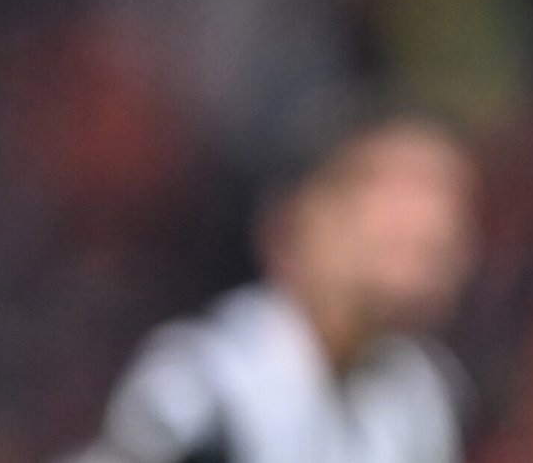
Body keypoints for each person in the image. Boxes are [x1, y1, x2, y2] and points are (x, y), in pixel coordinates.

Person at [66, 113, 480, 463]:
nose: (427, 223)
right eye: (384, 187)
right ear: (291, 224)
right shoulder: (205, 389)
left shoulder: (422, 393)